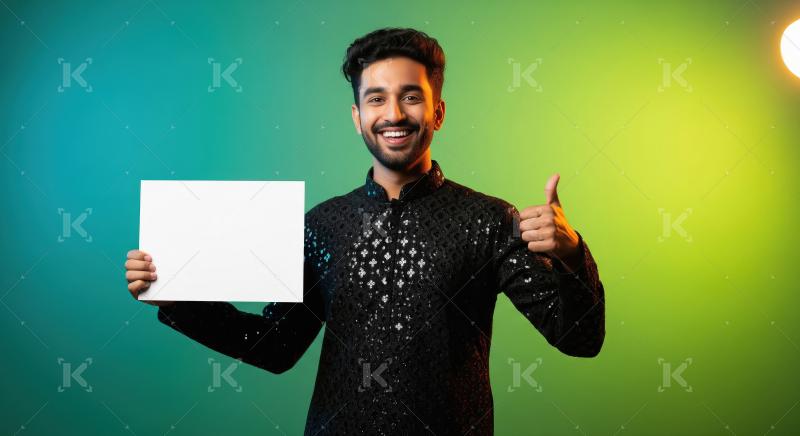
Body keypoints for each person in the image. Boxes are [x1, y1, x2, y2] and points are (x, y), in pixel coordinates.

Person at [124, 27, 605, 435]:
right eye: (376, 98)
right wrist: (176, 296)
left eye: (411, 96)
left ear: (437, 112)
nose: (393, 113)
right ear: (358, 118)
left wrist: (570, 255)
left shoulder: (491, 220)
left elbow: (579, 339)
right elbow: (275, 346)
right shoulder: (321, 225)